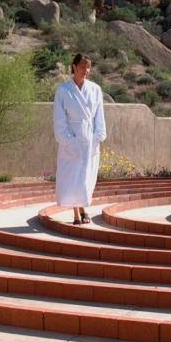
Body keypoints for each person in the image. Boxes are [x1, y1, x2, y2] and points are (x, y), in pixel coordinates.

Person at [53, 54, 107, 224]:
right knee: (72, 177)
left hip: (89, 138)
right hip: (72, 138)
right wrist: (68, 140)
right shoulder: (63, 90)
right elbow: (59, 119)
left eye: (88, 67)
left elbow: (99, 116)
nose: (86, 70)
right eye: (83, 67)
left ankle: (83, 208)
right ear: (74, 67)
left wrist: (98, 136)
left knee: (86, 178)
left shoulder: (95, 89)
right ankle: (76, 212)